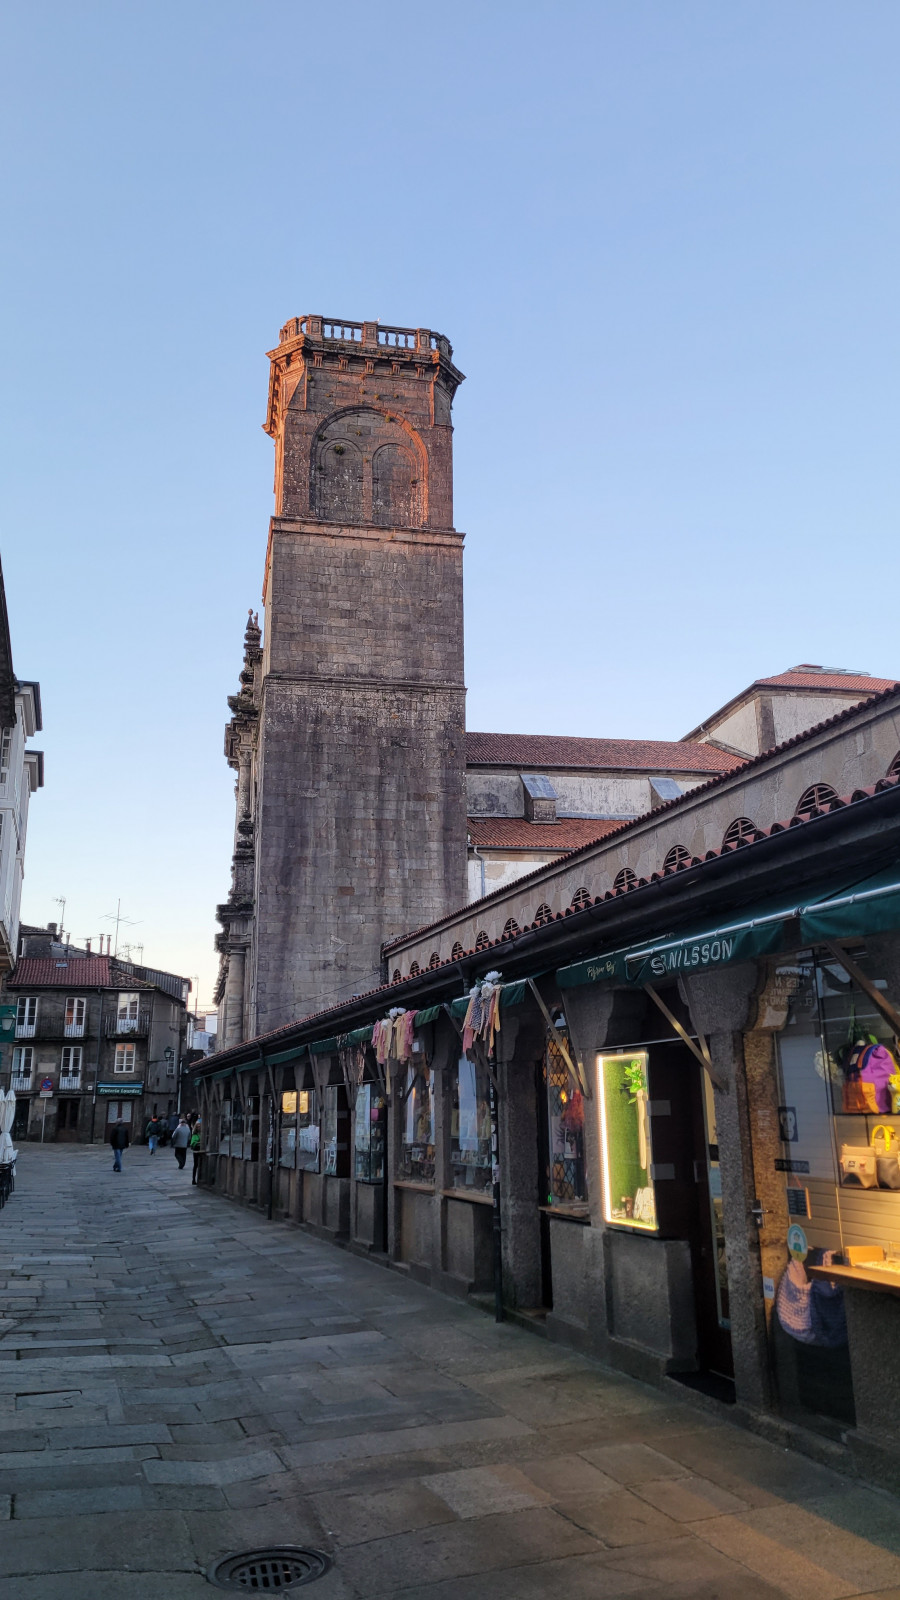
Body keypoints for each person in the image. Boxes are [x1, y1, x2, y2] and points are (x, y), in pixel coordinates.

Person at [190, 1119, 203, 1185]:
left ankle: (200, 1179)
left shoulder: (202, 1134)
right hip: (196, 1151)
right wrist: (198, 1142)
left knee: (201, 1165)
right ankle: (194, 1179)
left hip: (201, 1150)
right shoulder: (195, 1134)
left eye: (200, 1126)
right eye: (197, 1126)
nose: (199, 1127)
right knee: (196, 1165)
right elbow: (192, 1143)